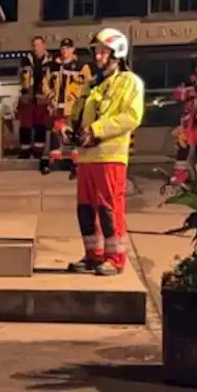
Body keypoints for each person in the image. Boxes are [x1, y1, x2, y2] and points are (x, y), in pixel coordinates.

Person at [66, 28, 143, 277]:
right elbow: (78, 114)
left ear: (117, 53)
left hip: (110, 157)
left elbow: (131, 117)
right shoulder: (92, 85)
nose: (97, 57)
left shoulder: (129, 82)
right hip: (87, 157)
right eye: (96, 51)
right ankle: (93, 255)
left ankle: (115, 258)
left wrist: (96, 130)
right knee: (86, 209)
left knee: (109, 209)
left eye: (102, 52)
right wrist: (69, 129)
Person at [41, 38, 92, 176]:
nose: (65, 51)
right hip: (56, 105)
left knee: (72, 134)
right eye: (63, 48)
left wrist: (77, 98)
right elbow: (45, 84)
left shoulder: (81, 66)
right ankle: (54, 162)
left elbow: (87, 85)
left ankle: (75, 164)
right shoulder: (52, 66)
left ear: (73, 50)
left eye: (68, 48)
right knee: (55, 133)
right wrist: (50, 97)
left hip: (73, 107)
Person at [17, 36, 53, 163]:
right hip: (28, 97)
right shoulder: (26, 60)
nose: (36, 48)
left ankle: (38, 150)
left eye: (38, 45)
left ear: (44, 46)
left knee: (40, 124)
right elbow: (21, 77)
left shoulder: (50, 61)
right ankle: (24, 150)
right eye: (34, 45)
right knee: (25, 124)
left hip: (42, 97)